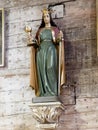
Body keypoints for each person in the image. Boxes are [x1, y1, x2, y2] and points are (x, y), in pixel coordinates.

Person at [29, 8, 66, 97]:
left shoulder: (55, 29)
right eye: (44, 17)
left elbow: (57, 42)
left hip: (51, 50)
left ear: (50, 18)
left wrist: (60, 38)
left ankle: (53, 91)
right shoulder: (40, 30)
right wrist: (32, 40)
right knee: (41, 71)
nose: (46, 18)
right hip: (41, 52)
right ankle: (43, 92)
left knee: (51, 68)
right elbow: (37, 42)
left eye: (47, 16)